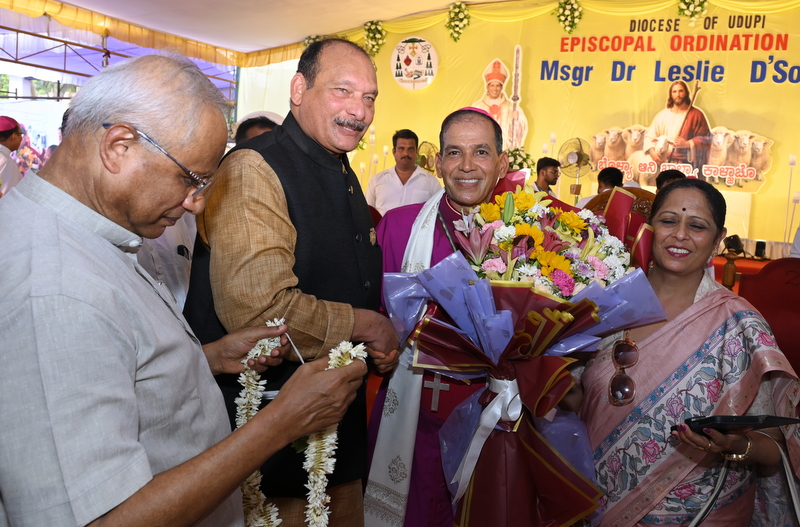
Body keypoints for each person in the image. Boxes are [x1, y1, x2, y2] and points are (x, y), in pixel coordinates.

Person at [0, 53, 367, 527]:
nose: (196, 203)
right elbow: (99, 519)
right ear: (118, 147)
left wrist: (204, 358)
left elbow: (113, 361)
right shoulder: (54, 290)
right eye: (190, 178)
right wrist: (279, 424)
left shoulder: (85, 237)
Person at [185, 38, 399, 527]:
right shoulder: (254, 166)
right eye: (343, 90)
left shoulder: (338, 167)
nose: (359, 111)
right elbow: (261, 311)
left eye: (369, 97)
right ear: (299, 89)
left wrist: (373, 345)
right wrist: (368, 326)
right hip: (266, 437)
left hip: (333, 428)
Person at [578, 178, 800, 526]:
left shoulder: (739, 323)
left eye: (697, 226)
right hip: (594, 501)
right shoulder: (605, 303)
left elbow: (772, 445)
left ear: (718, 238)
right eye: (669, 221)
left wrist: (734, 445)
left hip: (703, 513)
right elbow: (572, 403)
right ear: (650, 226)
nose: (680, 235)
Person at [364, 107, 508, 527]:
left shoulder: (530, 236)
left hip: (492, 415)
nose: (467, 166)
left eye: (481, 152)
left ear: (502, 163)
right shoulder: (398, 227)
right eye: (454, 153)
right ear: (439, 162)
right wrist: (379, 347)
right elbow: (374, 317)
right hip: (411, 413)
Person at [365, 128, 441, 215]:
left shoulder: (431, 182)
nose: (406, 153)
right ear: (394, 152)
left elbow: (439, 214)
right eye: (401, 148)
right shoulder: (377, 180)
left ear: (416, 152)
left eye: (410, 149)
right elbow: (367, 213)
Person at [644, 80, 711, 171]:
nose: (678, 95)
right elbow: (649, 138)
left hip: (685, 166)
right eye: (674, 91)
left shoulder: (696, 115)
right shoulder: (663, 116)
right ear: (671, 94)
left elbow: (706, 139)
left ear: (686, 93)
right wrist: (653, 153)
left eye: (681, 91)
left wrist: (688, 144)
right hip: (664, 165)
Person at [472, 59, 528, 150]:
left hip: (505, 150)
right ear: (487, 87)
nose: (495, 89)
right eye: (492, 85)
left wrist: (517, 120)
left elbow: (519, 133)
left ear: (502, 87)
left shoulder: (511, 107)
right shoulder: (477, 107)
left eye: (498, 85)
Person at [0, 116, 23, 197]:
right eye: (21, 134)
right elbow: (8, 197)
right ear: (14, 136)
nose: (21, 139)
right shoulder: (6, 162)